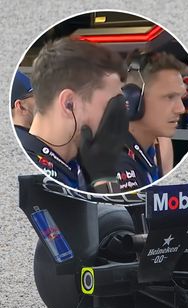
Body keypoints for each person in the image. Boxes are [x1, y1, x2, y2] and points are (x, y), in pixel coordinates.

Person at [23, 37, 128, 193]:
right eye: (113, 104)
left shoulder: (79, 164)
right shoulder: (30, 180)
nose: (120, 116)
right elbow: (114, 218)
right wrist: (104, 178)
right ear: (68, 104)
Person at [116, 51, 188, 191]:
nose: (181, 109)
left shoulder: (161, 146)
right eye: (169, 97)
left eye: (180, 97)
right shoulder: (110, 160)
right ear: (133, 99)